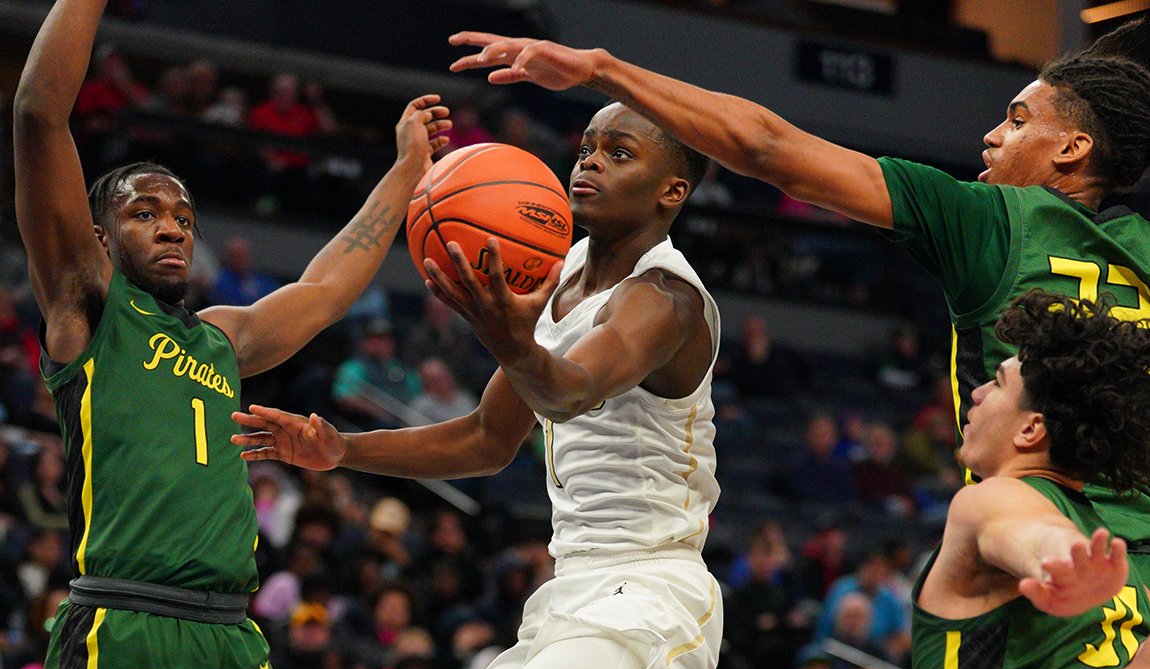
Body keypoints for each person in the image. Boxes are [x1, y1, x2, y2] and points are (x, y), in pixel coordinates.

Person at [445, 18, 1150, 565]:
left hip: (1030, 553)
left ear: (1072, 150)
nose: (992, 137)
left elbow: (766, 148)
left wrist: (602, 70)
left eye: (1018, 121)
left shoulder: (991, 220)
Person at [12, 0, 451, 669]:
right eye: (145, 213)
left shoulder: (220, 339)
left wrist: (408, 169)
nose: (172, 226)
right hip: (128, 622)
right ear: (99, 240)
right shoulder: (88, 307)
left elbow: (325, 289)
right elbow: (38, 114)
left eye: (184, 218)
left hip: (233, 641)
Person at [233, 100, 722, 669]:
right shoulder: (560, 274)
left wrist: (511, 341)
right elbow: (486, 439)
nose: (591, 163)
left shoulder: (666, 299)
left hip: (652, 597)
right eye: (587, 148)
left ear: (672, 191)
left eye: (619, 153)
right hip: (571, 591)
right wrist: (342, 449)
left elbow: (570, 392)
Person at [911, 291, 1150, 669]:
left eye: (997, 383)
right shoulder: (1011, 507)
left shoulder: (1003, 499)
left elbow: (1032, 529)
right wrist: (1057, 558)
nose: (976, 393)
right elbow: (1030, 531)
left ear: (1030, 428)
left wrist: (1061, 560)